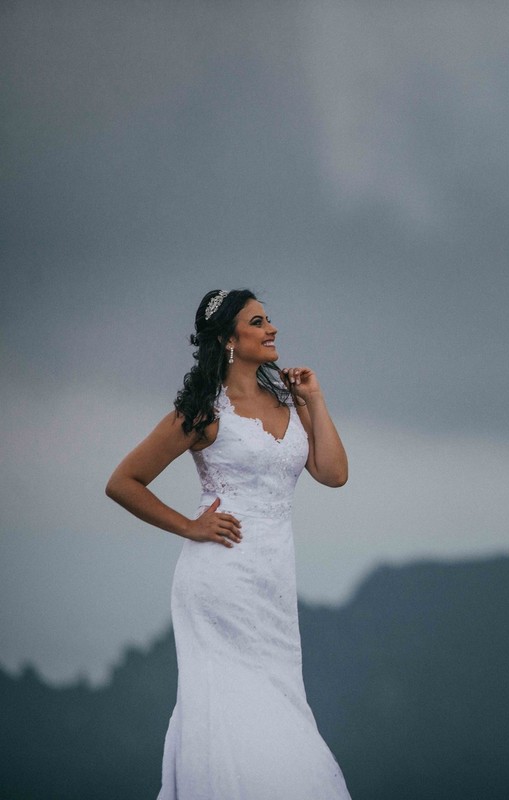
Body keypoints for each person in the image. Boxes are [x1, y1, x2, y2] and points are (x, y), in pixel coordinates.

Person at [106, 289, 353, 799]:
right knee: (232, 706)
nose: (272, 328)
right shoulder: (203, 411)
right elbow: (123, 482)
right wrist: (189, 526)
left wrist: (315, 399)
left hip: (273, 585)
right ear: (228, 339)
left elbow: (333, 474)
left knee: (279, 703)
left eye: (269, 319)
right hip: (221, 579)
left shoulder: (289, 399)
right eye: (258, 322)